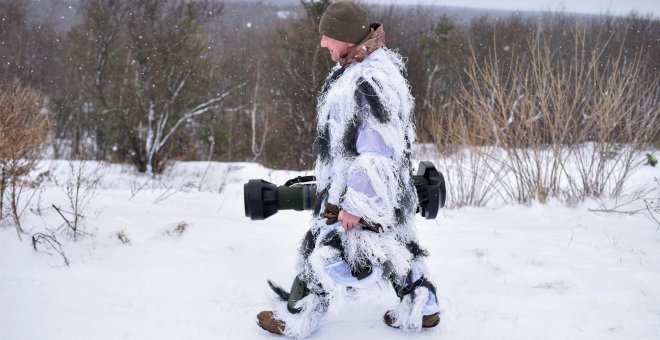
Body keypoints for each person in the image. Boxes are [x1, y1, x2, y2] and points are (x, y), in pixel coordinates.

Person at [256, 1, 440, 337]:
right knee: (396, 239)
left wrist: (355, 204)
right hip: (384, 188)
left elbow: (377, 151)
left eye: (328, 35)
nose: (323, 42)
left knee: (323, 242)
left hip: (357, 189)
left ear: (345, 37)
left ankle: (298, 315)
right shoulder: (365, 68)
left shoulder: (369, 78)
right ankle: (423, 307)